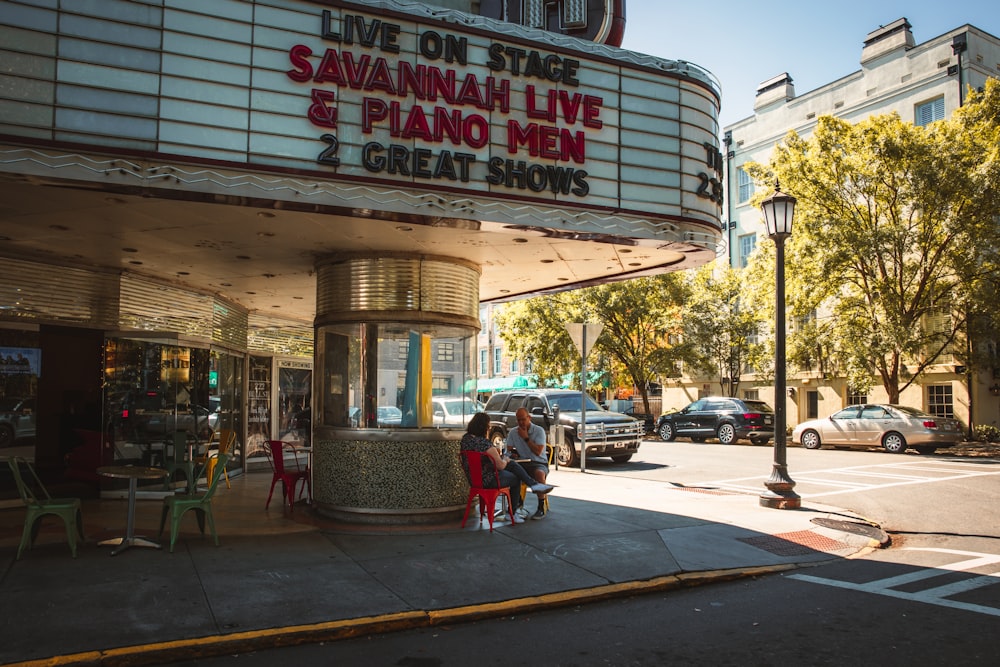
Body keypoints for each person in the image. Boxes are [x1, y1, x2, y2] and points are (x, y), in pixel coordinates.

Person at [460, 412, 554, 524]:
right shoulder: (483, 443)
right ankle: (512, 512)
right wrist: (505, 460)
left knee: (512, 465)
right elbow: (500, 465)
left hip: (474, 479)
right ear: (484, 428)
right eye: (488, 427)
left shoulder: (466, 439)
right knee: (515, 477)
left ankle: (533, 485)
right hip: (488, 480)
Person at [506, 407, 551, 520]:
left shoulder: (538, 431)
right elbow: (508, 450)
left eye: (523, 419)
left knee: (539, 473)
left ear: (529, 417)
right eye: (518, 420)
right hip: (522, 462)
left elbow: (538, 451)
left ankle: (541, 507)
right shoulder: (513, 432)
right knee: (513, 473)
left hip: (538, 462)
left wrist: (526, 438)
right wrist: (513, 453)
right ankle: (516, 504)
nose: (521, 422)